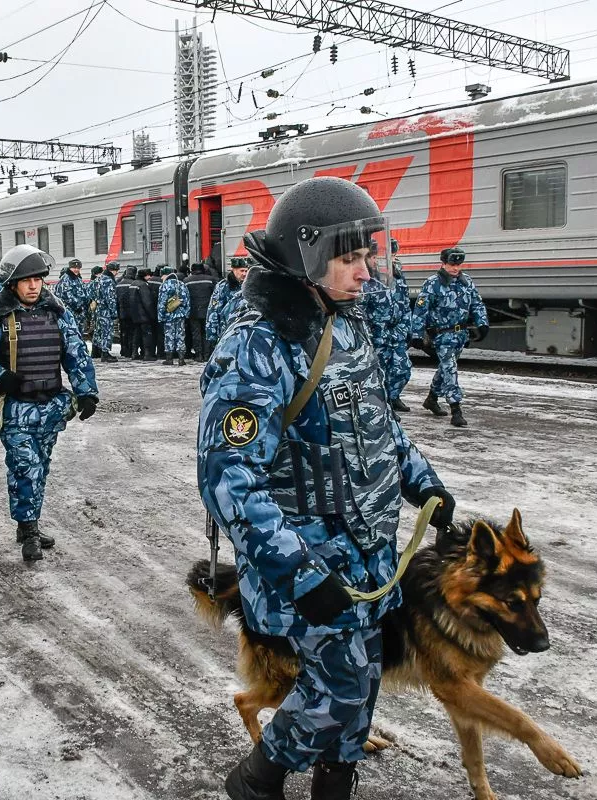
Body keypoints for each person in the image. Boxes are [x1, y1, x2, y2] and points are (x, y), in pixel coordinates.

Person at [197, 177, 455, 800]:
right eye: (349, 259)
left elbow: (380, 428)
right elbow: (228, 477)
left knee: (362, 678)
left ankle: (334, 782)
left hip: (366, 552)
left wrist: (424, 485)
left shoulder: (346, 325)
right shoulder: (257, 346)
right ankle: (258, 777)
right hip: (306, 559)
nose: (365, 272)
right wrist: (300, 573)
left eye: (368, 256)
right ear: (305, 258)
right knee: (338, 685)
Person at [0, 245, 99, 562]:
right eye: (26, 280)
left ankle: (29, 522)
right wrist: (0, 375)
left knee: (40, 467)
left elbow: (75, 353)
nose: (33, 286)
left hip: (51, 408)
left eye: (38, 279)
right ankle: (28, 530)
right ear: (12, 283)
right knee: (25, 467)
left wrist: (86, 391)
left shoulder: (57, 313)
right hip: (16, 410)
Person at [409, 246, 488, 428]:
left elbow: (477, 304)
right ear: (443, 263)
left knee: (445, 368)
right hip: (441, 335)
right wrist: (417, 334)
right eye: (452, 264)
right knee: (450, 368)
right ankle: (456, 409)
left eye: (458, 265)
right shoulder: (433, 283)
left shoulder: (466, 282)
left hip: (460, 334)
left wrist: (482, 323)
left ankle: (431, 398)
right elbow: (421, 310)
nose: (455, 268)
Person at [360, 238, 413, 413]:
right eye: (373, 257)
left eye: (394, 255)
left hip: (396, 334)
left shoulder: (396, 277)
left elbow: (405, 305)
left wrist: (407, 329)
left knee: (403, 369)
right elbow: (359, 313)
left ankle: (392, 398)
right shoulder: (365, 281)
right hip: (376, 337)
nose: (378, 260)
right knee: (377, 374)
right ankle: (383, 407)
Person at [205, 258, 249, 350]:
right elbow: (214, 310)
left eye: (246, 271)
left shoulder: (249, 286)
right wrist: (212, 334)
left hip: (246, 331)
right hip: (227, 331)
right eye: (242, 271)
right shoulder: (223, 286)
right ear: (234, 270)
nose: (244, 274)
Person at [157, 266, 190, 365]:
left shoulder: (164, 285)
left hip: (168, 315)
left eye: (162, 275)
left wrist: (161, 316)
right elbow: (187, 300)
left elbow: (162, 302)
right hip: (180, 315)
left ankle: (169, 359)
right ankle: (181, 359)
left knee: (169, 336)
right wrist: (186, 313)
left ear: (166, 275)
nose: (161, 278)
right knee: (181, 335)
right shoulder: (182, 284)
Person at [184, 263, 216, 361]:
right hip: (208, 311)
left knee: (196, 333)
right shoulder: (211, 279)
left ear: (192, 270)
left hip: (193, 312)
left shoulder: (186, 281)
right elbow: (215, 295)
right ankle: (207, 355)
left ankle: (198, 355)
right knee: (207, 332)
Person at [92, 261, 120, 362]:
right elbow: (110, 298)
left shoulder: (100, 279)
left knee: (99, 331)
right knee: (107, 331)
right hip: (106, 310)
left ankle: (97, 351)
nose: (117, 273)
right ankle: (105, 353)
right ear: (113, 270)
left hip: (99, 309)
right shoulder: (108, 280)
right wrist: (114, 312)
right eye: (117, 270)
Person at [54, 257, 91, 333]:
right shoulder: (66, 279)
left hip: (80, 313)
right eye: (74, 268)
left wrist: (87, 302)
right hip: (71, 312)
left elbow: (84, 292)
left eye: (78, 268)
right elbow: (67, 295)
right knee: (72, 333)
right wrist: (78, 306)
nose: (76, 270)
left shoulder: (78, 279)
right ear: (70, 268)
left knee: (79, 333)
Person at [116, 266, 139, 358]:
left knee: (123, 332)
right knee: (132, 332)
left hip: (122, 312)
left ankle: (124, 350)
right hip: (132, 313)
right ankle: (131, 351)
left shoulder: (118, 284)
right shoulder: (134, 284)